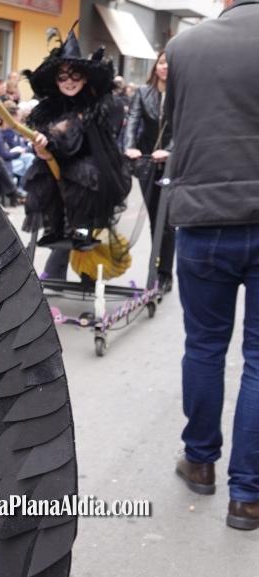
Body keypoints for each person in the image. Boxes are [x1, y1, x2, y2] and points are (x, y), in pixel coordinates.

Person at [164, 0, 259, 531]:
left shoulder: (184, 45)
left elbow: (179, 123)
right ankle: (247, 496)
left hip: (204, 216)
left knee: (204, 345)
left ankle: (200, 462)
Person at [23, 29, 129, 258]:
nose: (69, 82)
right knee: (42, 178)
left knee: (83, 177)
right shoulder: (51, 105)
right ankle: (55, 228)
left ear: (84, 77)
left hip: (89, 160)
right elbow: (43, 128)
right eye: (62, 77)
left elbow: (71, 130)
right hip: (54, 158)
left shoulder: (94, 104)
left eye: (75, 76)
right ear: (56, 81)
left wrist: (50, 138)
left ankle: (82, 231)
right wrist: (41, 144)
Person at [123, 50, 173, 292]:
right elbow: (132, 119)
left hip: (172, 163)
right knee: (155, 217)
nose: (165, 67)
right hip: (148, 163)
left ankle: (165, 274)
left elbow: (186, 125)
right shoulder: (143, 92)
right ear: (155, 66)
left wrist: (171, 150)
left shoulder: (182, 94)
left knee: (167, 220)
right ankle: (155, 269)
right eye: (162, 62)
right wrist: (129, 146)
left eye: (169, 63)